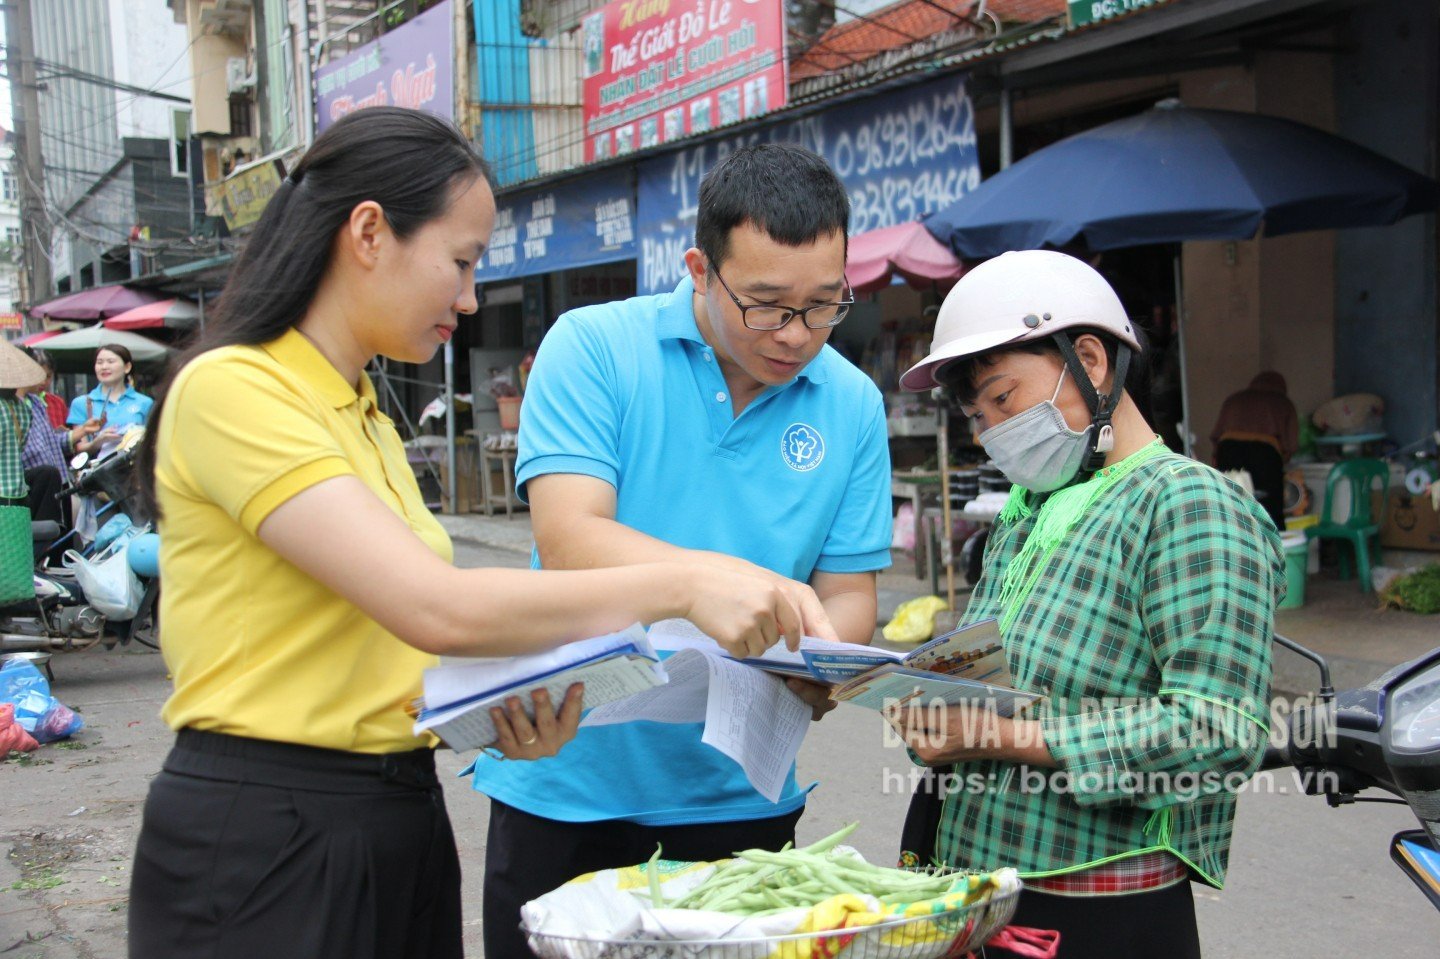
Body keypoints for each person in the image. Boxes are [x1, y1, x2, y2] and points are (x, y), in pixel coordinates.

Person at [126, 107, 805, 959]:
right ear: (369, 231)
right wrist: (688, 583)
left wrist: (503, 702)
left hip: (397, 807)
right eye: (459, 260)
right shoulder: (237, 390)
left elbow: (390, 636)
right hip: (272, 823)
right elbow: (434, 606)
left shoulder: (366, 412)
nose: (468, 297)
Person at [469, 142, 894, 958]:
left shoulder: (849, 402)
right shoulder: (593, 347)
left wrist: (827, 661)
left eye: (823, 304)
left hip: (742, 800)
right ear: (700, 268)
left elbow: (847, 592)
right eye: (766, 304)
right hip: (567, 785)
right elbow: (569, 537)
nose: (796, 335)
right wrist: (706, 583)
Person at [893, 250, 1281, 959]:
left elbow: (1220, 729)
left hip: (1100, 912)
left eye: (1004, 399)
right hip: (981, 893)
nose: (992, 430)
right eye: (978, 415)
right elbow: (1006, 681)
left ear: (1092, 359)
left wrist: (994, 736)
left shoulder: (1188, 503)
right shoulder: (1030, 509)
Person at [1210, 370, 1299, 527]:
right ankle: (1270, 546)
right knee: (1269, 508)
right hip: (1265, 454)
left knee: (1231, 502)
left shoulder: (1234, 399)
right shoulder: (1283, 402)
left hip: (1228, 450)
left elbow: (1216, 435)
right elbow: (1291, 444)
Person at [66, 343, 154, 457]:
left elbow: (153, 442)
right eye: (99, 362)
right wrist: (99, 441)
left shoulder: (145, 402)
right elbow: (79, 449)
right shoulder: (81, 403)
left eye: (110, 361)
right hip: (100, 471)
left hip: (135, 469)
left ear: (127, 367)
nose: (104, 367)